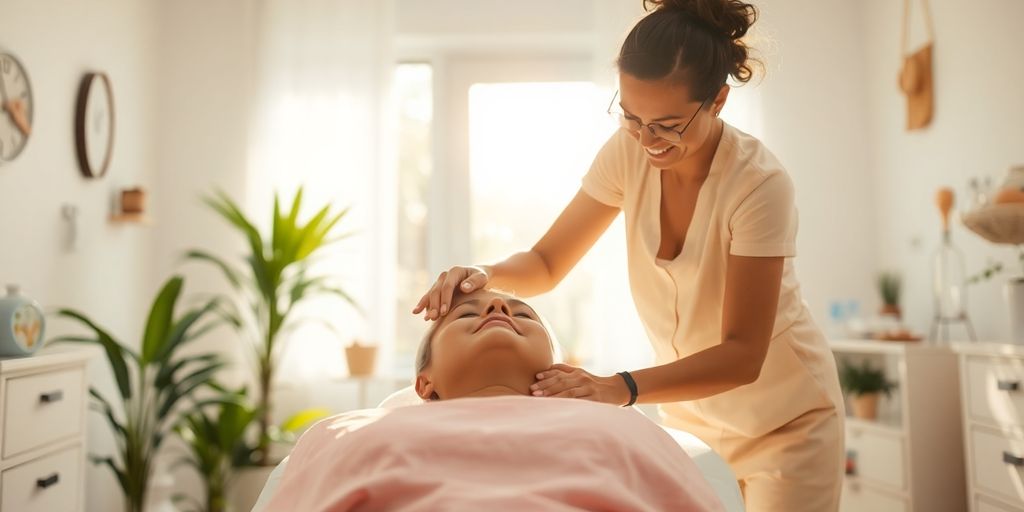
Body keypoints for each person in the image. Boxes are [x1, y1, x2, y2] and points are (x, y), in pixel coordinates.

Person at [412, 1, 844, 510]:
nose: (646, 139)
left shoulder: (758, 185)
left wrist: (619, 387)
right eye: (632, 116)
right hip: (691, 420)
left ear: (718, 100)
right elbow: (546, 264)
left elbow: (743, 354)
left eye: (667, 124)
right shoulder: (627, 151)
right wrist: (484, 272)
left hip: (784, 422)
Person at [264, 289, 725, 511]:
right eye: (466, 313)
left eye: (523, 314)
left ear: (557, 366)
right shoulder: (348, 433)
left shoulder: (628, 427)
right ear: (424, 384)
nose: (498, 308)